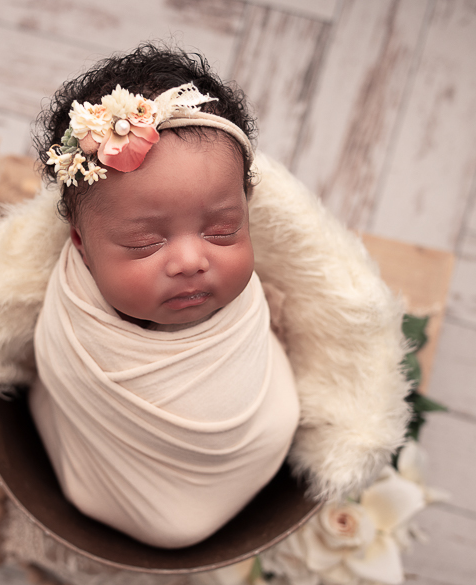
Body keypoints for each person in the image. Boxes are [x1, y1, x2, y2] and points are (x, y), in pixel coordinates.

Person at [28, 45, 301, 548]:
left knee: (281, 416)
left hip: (243, 451)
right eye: (144, 243)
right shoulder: (72, 319)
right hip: (111, 479)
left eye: (222, 231)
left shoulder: (248, 303)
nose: (190, 261)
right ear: (82, 247)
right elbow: (61, 379)